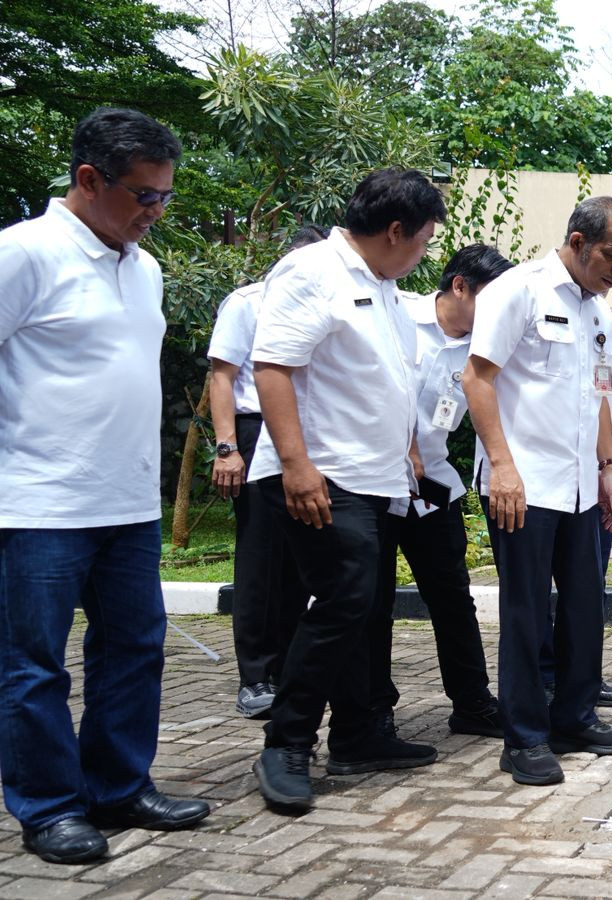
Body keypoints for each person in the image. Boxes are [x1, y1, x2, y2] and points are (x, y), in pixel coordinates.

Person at [0, 107, 210, 864]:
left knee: (134, 649)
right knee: (33, 665)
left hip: (125, 501)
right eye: (143, 196)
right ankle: (50, 806)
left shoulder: (143, 267)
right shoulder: (22, 255)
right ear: (88, 180)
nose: (155, 212)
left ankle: (119, 786)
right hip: (37, 503)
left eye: (164, 197)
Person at [247, 167, 447, 813]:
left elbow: (382, 378)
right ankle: (286, 741)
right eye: (422, 242)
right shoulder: (314, 271)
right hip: (323, 473)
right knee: (343, 600)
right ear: (395, 231)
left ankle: (359, 733)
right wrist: (296, 464)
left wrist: (408, 448)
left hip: (373, 477)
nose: (423, 257)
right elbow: (273, 366)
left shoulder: (381, 285)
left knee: (365, 607)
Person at [463, 196, 612, 787]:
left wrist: (609, 467)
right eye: (610, 255)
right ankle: (526, 738)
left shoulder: (597, 314)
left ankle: (574, 717)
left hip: (578, 490)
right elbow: (477, 379)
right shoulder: (518, 291)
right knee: (526, 612)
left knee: (586, 607)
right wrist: (503, 468)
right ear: (577, 240)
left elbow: (596, 399)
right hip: (523, 486)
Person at [367, 244, 512, 738]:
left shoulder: (484, 345)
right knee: (373, 600)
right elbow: (378, 390)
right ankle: (373, 712)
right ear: (458, 286)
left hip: (432, 486)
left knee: (453, 599)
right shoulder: (397, 314)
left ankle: (472, 703)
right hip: (377, 485)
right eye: (490, 300)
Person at [209, 224, 324, 719]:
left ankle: (288, 667)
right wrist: (226, 447)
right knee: (260, 560)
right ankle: (255, 674)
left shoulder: (327, 304)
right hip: (255, 433)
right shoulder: (248, 302)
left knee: (303, 558)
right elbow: (222, 374)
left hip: (309, 432)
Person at [538, 314, 612, 708]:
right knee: (536, 590)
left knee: (588, 585)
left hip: (598, 481)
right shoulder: (543, 317)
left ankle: (582, 677)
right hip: (548, 475)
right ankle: (546, 676)